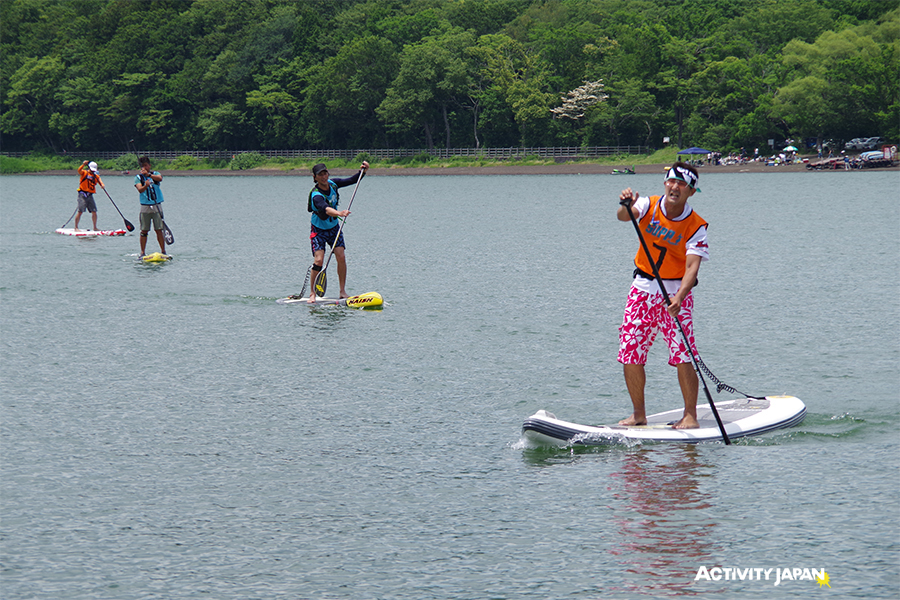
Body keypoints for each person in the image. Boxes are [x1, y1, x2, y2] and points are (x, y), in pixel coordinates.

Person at [615, 162, 709, 430]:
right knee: (630, 351)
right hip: (642, 289)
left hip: (674, 294)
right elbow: (625, 216)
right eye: (671, 181)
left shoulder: (696, 226)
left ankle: (690, 415)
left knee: (683, 354)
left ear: (691, 191)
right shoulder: (648, 204)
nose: (675, 187)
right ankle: (638, 414)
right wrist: (625, 205)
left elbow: (692, 268)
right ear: (665, 183)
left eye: (682, 184)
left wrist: (679, 297)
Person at [306, 161, 369, 302]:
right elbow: (326, 209)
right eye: (320, 175)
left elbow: (352, 180)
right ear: (315, 177)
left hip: (334, 229)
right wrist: (340, 213)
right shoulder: (316, 195)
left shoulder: (333, 184)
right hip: (319, 230)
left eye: (325, 173)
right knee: (319, 261)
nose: (323, 177)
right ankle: (312, 293)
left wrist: (363, 172)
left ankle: (342, 291)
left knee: (341, 256)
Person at [134, 156, 166, 256]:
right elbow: (140, 189)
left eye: (146, 166)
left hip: (156, 205)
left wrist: (148, 175)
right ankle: (142, 252)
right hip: (145, 207)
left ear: (149, 165)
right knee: (144, 230)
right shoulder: (138, 177)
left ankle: (163, 251)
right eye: (143, 166)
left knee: (159, 230)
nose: (145, 167)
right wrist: (146, 185)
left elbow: (160, 178)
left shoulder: (155, 174)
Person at [75, 160, 105, 231]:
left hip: (90, 195)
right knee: (80, 211)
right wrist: (83, 165)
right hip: (82, 194)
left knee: (94, 211)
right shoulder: (84, 173)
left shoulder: (96, 176)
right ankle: (76, 227)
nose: (92, 171)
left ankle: (95, 227)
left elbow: (100, 181)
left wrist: (102, 185)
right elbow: (79, 170)